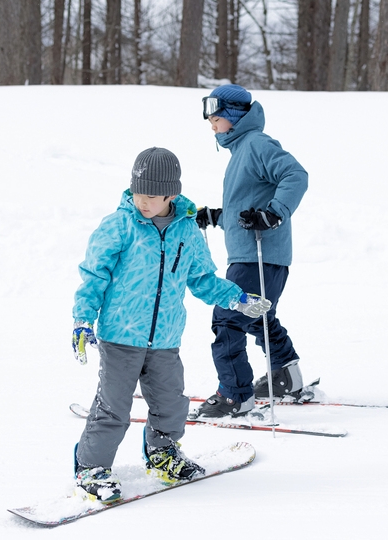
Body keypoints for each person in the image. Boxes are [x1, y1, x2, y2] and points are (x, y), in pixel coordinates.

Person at [70, 147, 272, 503]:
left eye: (150, 196)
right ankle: (92, 467)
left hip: (165, 338)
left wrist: (237, 298)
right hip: (120, 336)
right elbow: (93, 276)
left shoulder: (187, 232)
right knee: (113, 406)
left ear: (171, 196)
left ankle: (163, 452)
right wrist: (83, 319)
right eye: (137, 193)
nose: (142, 202)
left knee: (171, 403)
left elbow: (203, 279)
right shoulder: (119, 226)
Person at [193, 84, 309, 419]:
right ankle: (285, 375)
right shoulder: (242, 149)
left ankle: (235, 396)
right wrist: (217, 216)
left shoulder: (256, 144)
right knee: (255, 314)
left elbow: (295, 175)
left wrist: (274, 213)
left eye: (215, 117)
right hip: (254, 254)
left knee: (228, 318)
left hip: (259, 255)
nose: (211, 124)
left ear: (233, 115)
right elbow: (247, 208)